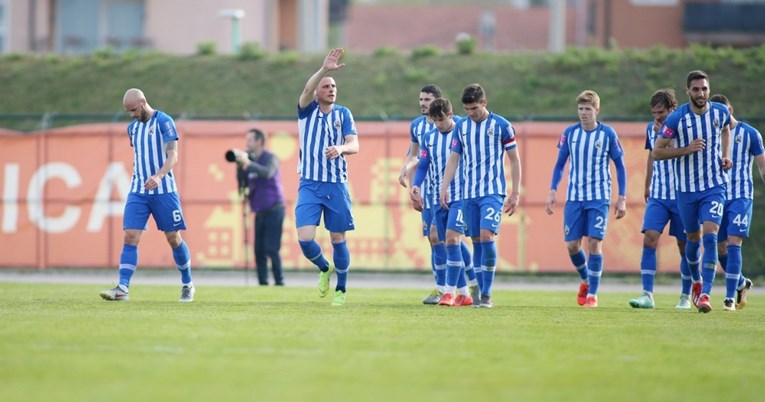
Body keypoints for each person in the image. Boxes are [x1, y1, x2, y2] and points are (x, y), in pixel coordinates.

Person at [100, 88, 194, 302]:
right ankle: (122, 288)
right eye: (128, 111)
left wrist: (159, 176)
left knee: (173, 238)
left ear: (143, 102)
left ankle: (187, 284)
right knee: (130, 236)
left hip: (164, 190)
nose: (131, 114)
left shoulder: (164, 122)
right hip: (138, 191)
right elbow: (141, 156)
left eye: (133, 110)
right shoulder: (132, 129)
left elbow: (173, 156)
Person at [652, 70, 732, 314]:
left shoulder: (720, 112)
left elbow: (727, 129)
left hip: (714, 186)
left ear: (709, 89)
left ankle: (705, 293)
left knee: (711, 235)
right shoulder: (676, 119)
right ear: (688, 91)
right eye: (696, 89)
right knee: (692, 240)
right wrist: (686, 149)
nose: (701, 93)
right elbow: (657, 151)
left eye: (704, 89)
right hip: (686, 190)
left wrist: (726, 155)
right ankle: (696, 282)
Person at [439, 83, 522, 308]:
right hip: (468, 194)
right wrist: (444, 187)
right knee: (475, 241)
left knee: (487, 236)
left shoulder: (502, 125)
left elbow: (514, 159)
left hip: (493, 192)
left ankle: (486, 293)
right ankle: (478, 293)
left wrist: (515, 192)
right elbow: (454, 159)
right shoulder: (461, 128)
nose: (470, 113)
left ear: (484, 103)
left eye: (474, 108)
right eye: (466, 109)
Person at [545, 90, 627, 308]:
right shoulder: (570, 133)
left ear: (596, 110)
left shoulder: (608, 134)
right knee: (572, 245)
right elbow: (560, 164)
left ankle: (593, 295)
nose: (583, 113)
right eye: (580, 109)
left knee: (594, 243)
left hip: (599, 198)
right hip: (574, 198)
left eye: (588, 109)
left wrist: (622, 197)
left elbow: (620, 166)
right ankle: (585, 280)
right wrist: (553, 190)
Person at [295, 48, 359, 306]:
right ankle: (324, 267)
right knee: (305, 238)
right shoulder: (306, 111)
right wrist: (323, 69)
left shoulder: (344, 114)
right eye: (326, 86)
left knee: (338, 239)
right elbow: (306, 89)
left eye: (333, 85)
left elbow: (354, 144)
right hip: (309, 184)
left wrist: (341, 148)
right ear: (317, 91)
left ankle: (341, 290)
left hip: (336, 185)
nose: (331, 89)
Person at [629, 89, 698, 310]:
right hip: (659, 194)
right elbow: (652, 154)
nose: (657, 117)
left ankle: (685, 296)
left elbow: (684, 151)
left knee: (683, 245)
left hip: (681, 194)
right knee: (649, 237)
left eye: (661, 112)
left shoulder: (684, 126)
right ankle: (647, 294)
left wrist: (664, 138)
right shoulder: (651, 129)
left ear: (672, 109)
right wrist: (647, 183)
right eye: (654, 113)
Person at [410, 98, 477, 307]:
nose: (438, 124)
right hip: (438, 197)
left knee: (451, 239)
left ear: (450, 115)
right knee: (443, 241)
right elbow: (422, 165)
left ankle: (448, 292)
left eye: (442, 120)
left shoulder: (463, 133)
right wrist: (416, 185)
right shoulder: (429, 138)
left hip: (460, 195)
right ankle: (465, 292)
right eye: (435, 120)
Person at [709, 94, 764, 311]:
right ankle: (741, 283)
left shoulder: (750, 133)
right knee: (720, 247)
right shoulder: (712, 136)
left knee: (734, 243)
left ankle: (729, 298)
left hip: (741, 197)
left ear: (730, 111)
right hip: (718, 196)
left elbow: (762, 165)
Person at [397, 84, 447, 304]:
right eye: (421, 100)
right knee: (433, 239)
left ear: (437, 101)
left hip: (449, 191)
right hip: (426, 191)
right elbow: (414, 154)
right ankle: (441, 287)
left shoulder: (452, 126)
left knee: (449, 238)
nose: (422, 104)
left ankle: (466, 285)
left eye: (427, 100)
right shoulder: (417, 126)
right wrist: (405, 170)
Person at [232, 128, 286, 286]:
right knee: (258, 250)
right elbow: (243, 185)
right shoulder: (250, 162)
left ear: (259, 141)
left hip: (275, 208)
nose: (246, 144)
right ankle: (262, 283)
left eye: (249, 140)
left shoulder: (271, 158)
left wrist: (249, 163)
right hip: (259, 211)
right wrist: (239, 167)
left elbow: (267, 173)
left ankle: (279, 281)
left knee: (272, 248)